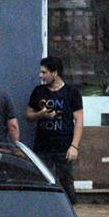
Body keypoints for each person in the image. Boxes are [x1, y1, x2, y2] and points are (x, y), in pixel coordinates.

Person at [26, 56, 83, 203]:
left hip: (64, 146)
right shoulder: (38, 91)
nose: (41, 75)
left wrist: (74, 146)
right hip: (42, 147)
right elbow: (28, 115)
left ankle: (73, 216)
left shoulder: (72, 92)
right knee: (41, 182)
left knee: (66, 183)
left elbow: (79, 120)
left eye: (44, 72)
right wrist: (41, 114)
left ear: (55, 73)